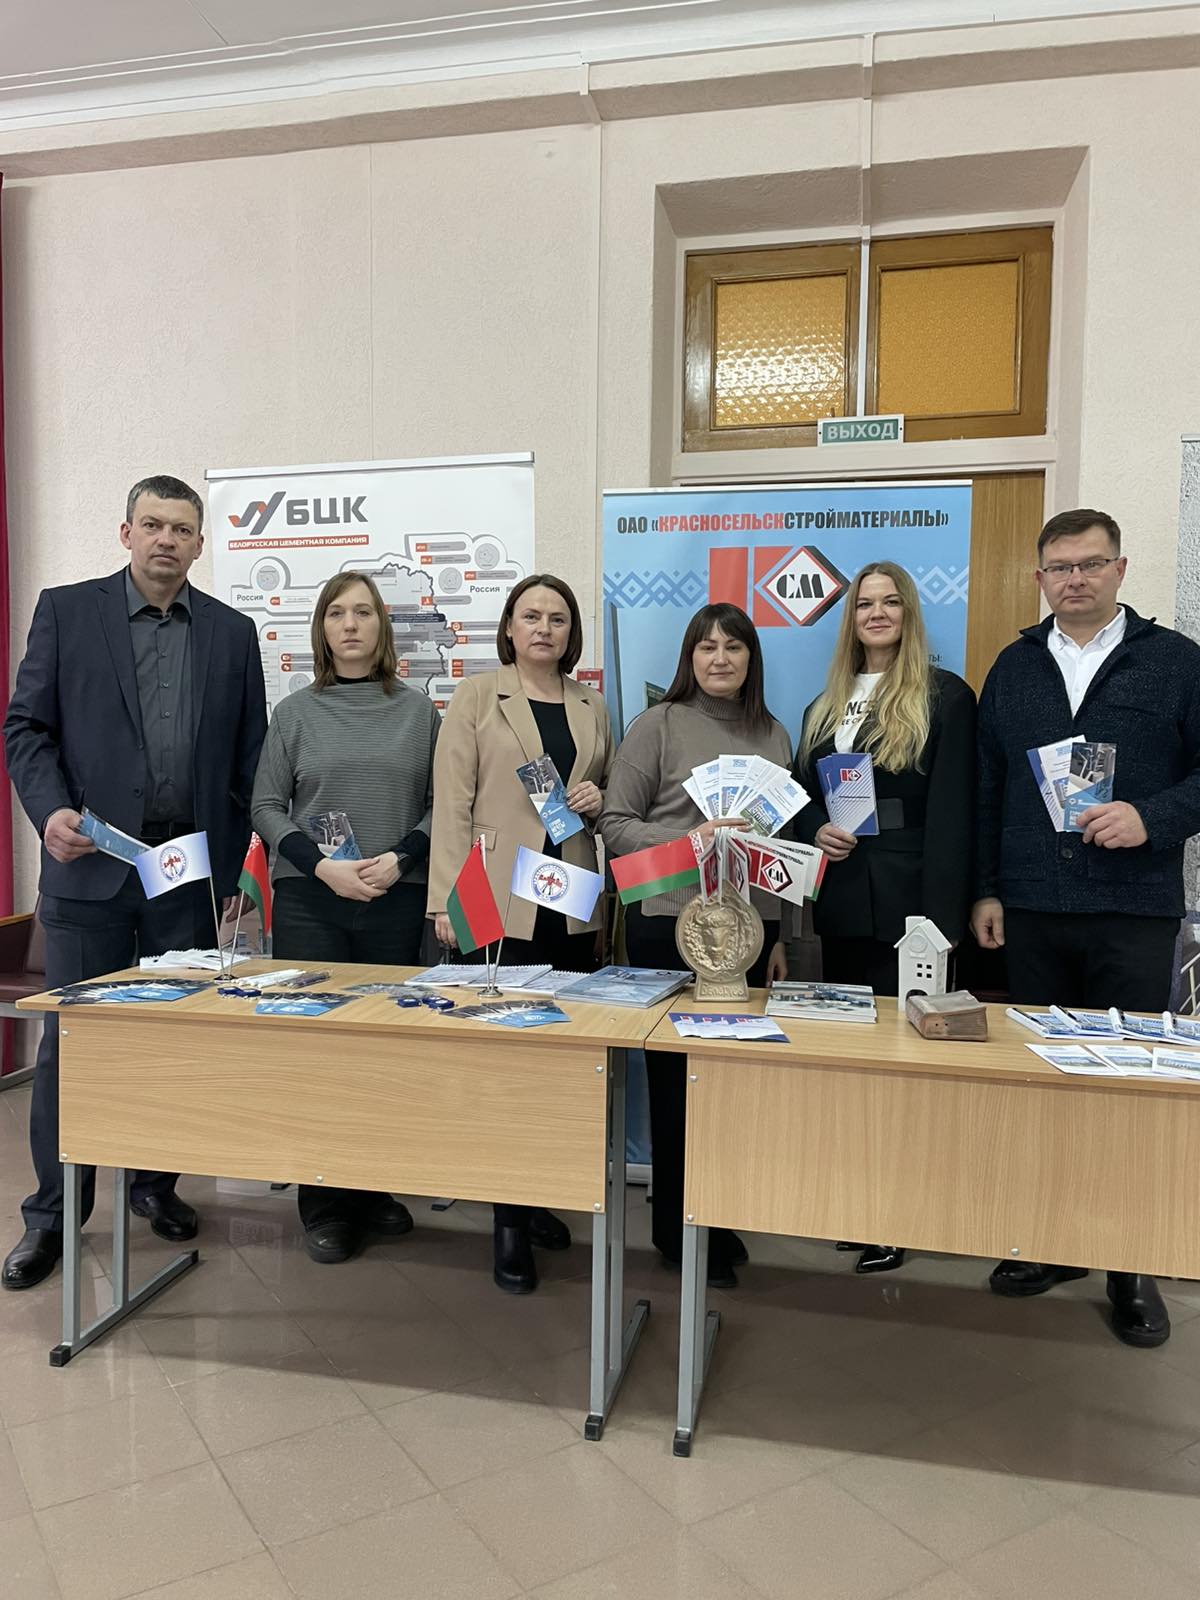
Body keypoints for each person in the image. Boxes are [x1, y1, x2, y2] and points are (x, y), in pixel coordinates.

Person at [2, 475, 267, 1290]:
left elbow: (249, 756)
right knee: (71, 1047)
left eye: (181, 529)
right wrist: (48, 810)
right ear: (126, 533)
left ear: (199, 544)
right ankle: (54, 1214)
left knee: (170, 1043)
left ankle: (155, 1184)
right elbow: (26, 728)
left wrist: (237, 866)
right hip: (88, 871)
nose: (165, 540)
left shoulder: (232, 633)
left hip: (186, 878)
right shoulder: (66, 611)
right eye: (151, 525)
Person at [971, 507, 1200, 1349]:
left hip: (1133, 911)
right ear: (1040, 578)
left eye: (1091, 564)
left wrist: (1151, 817)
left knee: (1127, 1089)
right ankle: (1050, 1242)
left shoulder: (1175, 662)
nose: (1075, 579)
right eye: (1060, 567)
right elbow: (989, 788)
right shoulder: (1015, 667)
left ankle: (1129, 1266)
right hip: (1033, 911)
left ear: (1120, 569)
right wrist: (988, 891)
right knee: (1044, 1087)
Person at [428, 574, 614, 1293]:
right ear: (509, 627)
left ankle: (535, 1197)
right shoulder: (478, 696)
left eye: (558, 618)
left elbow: (604, 799)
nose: (544, 628)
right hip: (497, 900)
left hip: (570, 902)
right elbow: (452, 803)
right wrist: (447, 903)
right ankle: (507, 1222)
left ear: (572, 633)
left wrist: (597, 797)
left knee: (561, 1063)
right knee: (507, 1066)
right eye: (531, 615)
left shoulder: (592, 705)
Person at [600, 603, 791, 1289]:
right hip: (669, 920)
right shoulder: (657, 724)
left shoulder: (773, 734)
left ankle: (716, 1210)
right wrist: (690, 842)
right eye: (706, 647)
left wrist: (778, 937)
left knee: (731, 1079)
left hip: (748, 930)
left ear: (750, 659)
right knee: (677, 1080)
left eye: (733, 647)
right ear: (690, 657)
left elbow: (776, 848)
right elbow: (616, 825)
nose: (720, 659)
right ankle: (674, 1224)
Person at [251, 571, 439, 1264]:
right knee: (319, 1051)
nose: (351, 624)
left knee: (383, 1050)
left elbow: (444, 804)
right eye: (337, 613)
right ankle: (325, 1201)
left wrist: (401, 857)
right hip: (311, 901)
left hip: (394, 896)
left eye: (363, 612)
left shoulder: (419, 713)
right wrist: (318, 866)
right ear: (322, 629)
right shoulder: (294, 713)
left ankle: (372, 1184)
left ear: (383, 626)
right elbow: (266, 806)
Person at [794, 562, 976, 1275]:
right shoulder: (825, 704)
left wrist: (942, 920)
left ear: (909, 614)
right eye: (865, 604)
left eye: (890, 602)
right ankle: (860, 1201)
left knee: (908, 1064)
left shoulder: (945, 696)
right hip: (843, 900)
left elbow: (955, 814)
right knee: (854, 1059)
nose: (876, 613)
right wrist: (814, 829)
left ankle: (901, 1212)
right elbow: (802, 796)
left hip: (912, 907)